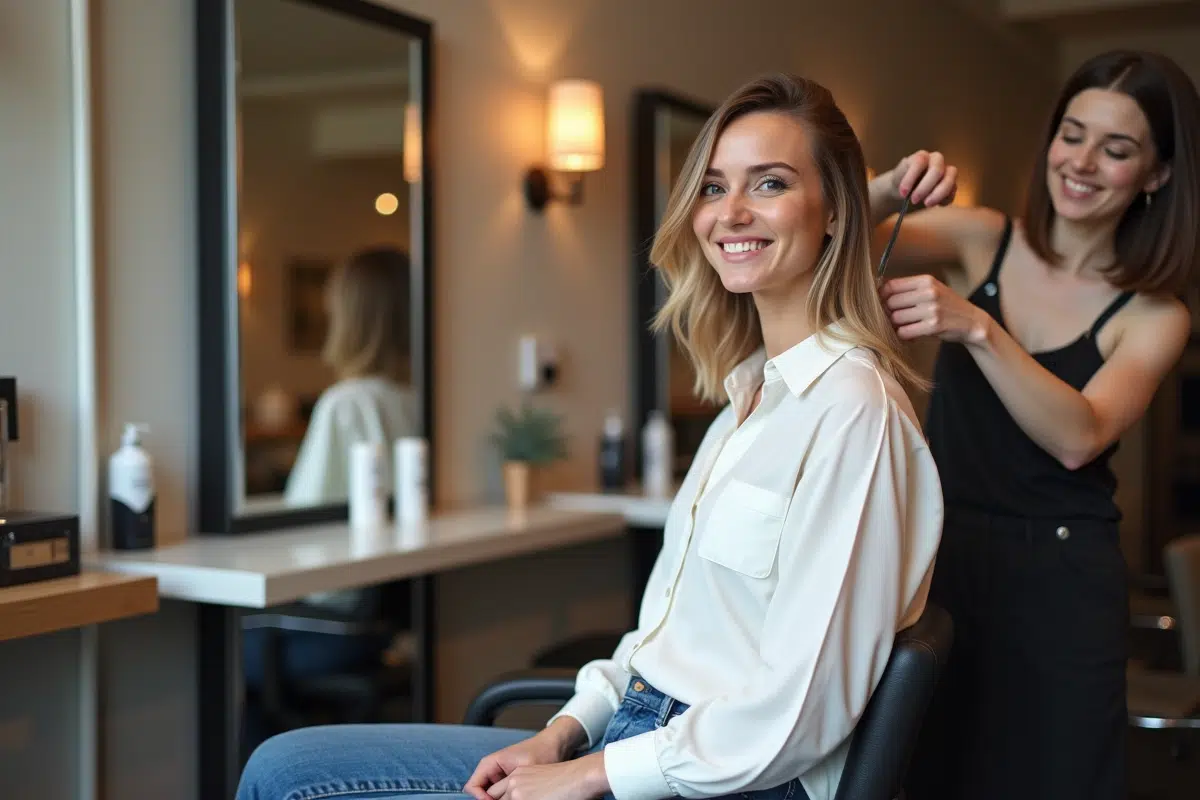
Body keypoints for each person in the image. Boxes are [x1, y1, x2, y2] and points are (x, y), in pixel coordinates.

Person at [236, 73, 953, 800]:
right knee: (282, 766)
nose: (730, 212)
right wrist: (563, 732)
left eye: (769, 184)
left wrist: (586, 777)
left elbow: (799, 713)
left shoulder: (853, 411)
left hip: (725, 779)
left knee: (289, 786)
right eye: (711, 188)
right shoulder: (751, 399)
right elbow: (665, 641)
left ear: (835, 210)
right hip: (640, 734)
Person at [868, 50, 1199, 800]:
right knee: (922, 772)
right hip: (940, 559)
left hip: (1060, 585)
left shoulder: (1154, 315)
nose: (1081, 163)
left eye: (1115, 150)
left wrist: (980, 328)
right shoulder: (983, 238)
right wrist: (889, 188)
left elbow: (1080, 436)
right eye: (1071, 135)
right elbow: (819, 235)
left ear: (1156, 175)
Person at [242, 246, 420, 751]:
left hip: (337, 630)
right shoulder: (418, 398)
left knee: (216, 655)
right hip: (385, 624)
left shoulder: (347, 403)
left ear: (351, 318)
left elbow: (302, 520)